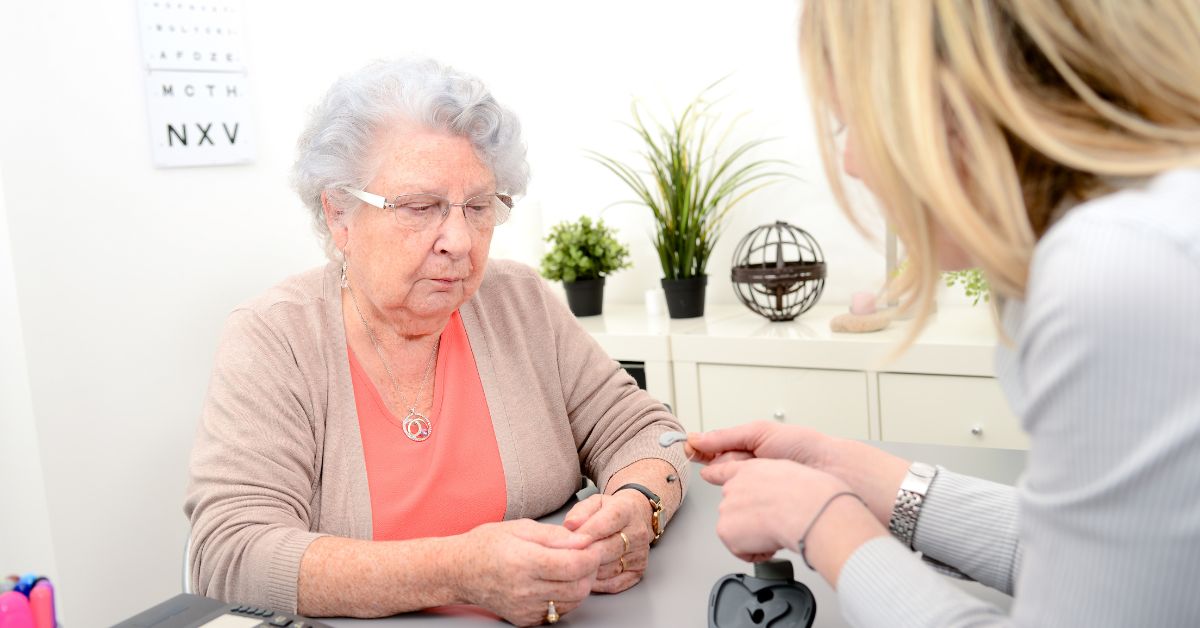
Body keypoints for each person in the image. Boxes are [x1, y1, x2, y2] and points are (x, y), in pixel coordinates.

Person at [688, 1, 1200, 626]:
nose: (849, 162)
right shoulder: (1151, 229)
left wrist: (824, 524)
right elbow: (1096, 560)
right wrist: (852, 472)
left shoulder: (1115, 273)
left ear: (946, 101)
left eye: (852, 123)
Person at [184, 57, 686, 627]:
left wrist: (635, 506)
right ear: (340, 214)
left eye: (478, 207)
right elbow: (229, 554)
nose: (459, 240)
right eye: (420, 208)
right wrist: (456, 571)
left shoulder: (517, 300)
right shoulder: (276, 337)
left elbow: (646, 429)